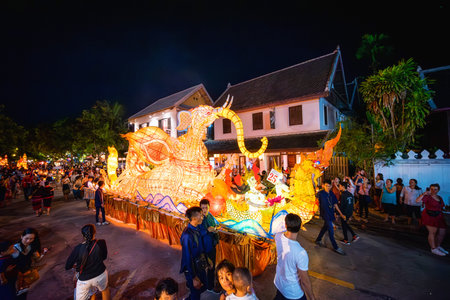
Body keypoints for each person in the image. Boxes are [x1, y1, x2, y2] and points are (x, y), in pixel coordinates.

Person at [274, 213, 315, 300]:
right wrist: (312, 297)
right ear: (300, 227)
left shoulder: (278, 237)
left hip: (280, 283)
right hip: (293, 292)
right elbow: (304, 281)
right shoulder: (301, 253)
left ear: (285, 225)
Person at [65, 224, 110, 300]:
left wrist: (77, 267)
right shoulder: (101, 243)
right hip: (100, 274)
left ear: (83, 236)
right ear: (94, 233)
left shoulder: (78, 248)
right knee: (105, 290)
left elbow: (68, 266)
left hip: (84, 280)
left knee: (89, 293)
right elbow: (104, 257)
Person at [180, 206, 209, 300]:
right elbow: (187, 257)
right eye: (201, 215)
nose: (203, 216)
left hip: (199, 264)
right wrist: (193, 277)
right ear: (194, 218)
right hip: (192, 268)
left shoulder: (196, 228)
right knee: (196, 292)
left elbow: (200, 247)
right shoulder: (187, 236)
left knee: (203, 286)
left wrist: (207, 260)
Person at [315, 180, 346, 255]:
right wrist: (316, 210)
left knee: (325, 227)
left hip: (331, 213)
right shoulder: (321, 193)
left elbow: (335, 204)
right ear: (323, 185)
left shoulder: (332, 193)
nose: (328, 188)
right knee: (331, 231)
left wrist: (341, 214)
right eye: (326, 186)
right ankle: (336, 247)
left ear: (331, 186)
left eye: (329, 186)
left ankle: (318, 239)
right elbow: (315, 199)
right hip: (325, 214)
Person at [12, 228, 46, 296]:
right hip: (14, 277)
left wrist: (43, 253)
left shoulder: (32, 247)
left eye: (31, 239)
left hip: (26, 274)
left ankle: (22, 288)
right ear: (22, 236)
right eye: (26, 238)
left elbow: (37, 259)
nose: (28, 241)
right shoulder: (14, 249)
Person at [416, 184, 447, 256]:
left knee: (442, 231)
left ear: (438, 190)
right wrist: (423, 194)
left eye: (435, 189)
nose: (433, 191)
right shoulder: (427, 197)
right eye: (432, 189)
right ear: (429, 189)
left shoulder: (439, 197)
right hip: (429, 215)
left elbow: (442, 206)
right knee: (433, 232)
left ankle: (437, 246)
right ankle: (433, 248)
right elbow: (417, 200)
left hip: (439, 216)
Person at [200, 198, 219, 291]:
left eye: (206, 208)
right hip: (205, 247)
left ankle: (208, 283)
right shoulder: (199, 219)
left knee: (211, 265)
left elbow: (214, 226)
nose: (204, 210)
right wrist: (208, 230)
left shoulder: (210, 216)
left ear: (209, 207)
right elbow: (199, 232)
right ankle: (209, 286)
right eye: (202, 208)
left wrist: (215, 229)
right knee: (208, 266)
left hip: (212, 244)